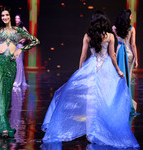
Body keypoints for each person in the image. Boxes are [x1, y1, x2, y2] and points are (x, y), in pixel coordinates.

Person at [41, 11, 139, 148]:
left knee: (90, 101)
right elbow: (112, 56)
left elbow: (82, 57)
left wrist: (80, 73)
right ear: (104, 22)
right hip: (106, 69)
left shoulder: (88, 36)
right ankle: (99, 130)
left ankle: (90, 132)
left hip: (91, 67)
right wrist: (118, 70)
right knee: (104, 98)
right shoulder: (110, 36)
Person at [0, 6, 40, 138]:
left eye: (6, 15)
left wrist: (19, 50)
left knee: (6, 94)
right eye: (2, 16)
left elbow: (35, 41)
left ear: (10, 16)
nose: (4, 17)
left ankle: (0, 123)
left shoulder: (18, 30)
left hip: (11, 65)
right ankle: (4, 127)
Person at [112, 9, 138, 114]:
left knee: (119, 77)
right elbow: (133, 45)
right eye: (131, 16)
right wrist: (136, 58)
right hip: (129, 54)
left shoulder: (114, 28)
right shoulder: (131, 29)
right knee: (128, 76)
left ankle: (119, 101)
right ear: (128, 17)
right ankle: (126, 101)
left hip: (119, 53)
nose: (131, 17)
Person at [13, 14, 28, 87]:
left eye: (18, 18)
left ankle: (18, 81)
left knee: (19, 63)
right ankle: (15, 80)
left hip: (19, 46)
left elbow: (28, 36)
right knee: (14, 63)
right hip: (14, 47)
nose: (17, 20)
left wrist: (23, 40)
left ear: (20, 19)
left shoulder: (22, 28)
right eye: (16, 18)